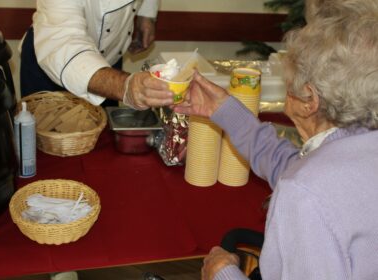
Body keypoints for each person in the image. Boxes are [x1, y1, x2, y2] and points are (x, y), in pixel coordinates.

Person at [173, 0, 378, 279]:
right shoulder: (357, 148)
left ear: (310, 101)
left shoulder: (306, 194)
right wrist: (224, 111)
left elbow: (307, 185)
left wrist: (223, 274)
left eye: (289, 84)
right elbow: (292, 165)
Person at [20, 0, 172, 110]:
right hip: (56, 60)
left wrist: (147, 14)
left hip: (109, 61)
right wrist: (125, 86)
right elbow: (64, 43)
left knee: (103, 144)